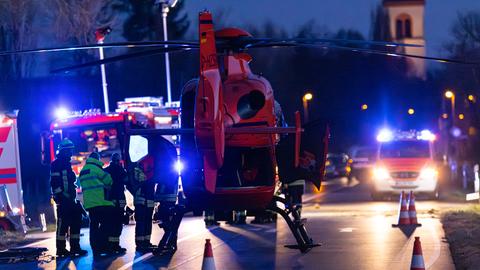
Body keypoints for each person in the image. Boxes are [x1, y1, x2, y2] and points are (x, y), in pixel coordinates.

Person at [50, 139, 88, 257]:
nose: (71, 152)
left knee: (76, 222)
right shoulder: (56, 164)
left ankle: (75, 248)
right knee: (63, 226)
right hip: (63, 200)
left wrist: (72, 198)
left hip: (71, 199)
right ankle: (61, 249)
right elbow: (55, 183)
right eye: (69, 150)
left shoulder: (67, 163)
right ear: (64, 151)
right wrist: (62, 196)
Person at [79, 152, 115, 255]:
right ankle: (103, 246)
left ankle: (95, 248)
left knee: (93, 226)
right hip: (101, 201)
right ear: (97, 159)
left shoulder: (83, 171)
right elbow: (109, 181)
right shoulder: (97, 169)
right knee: (105, 224)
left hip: (90, 204)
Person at [132, 154, 157, 252]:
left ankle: (146, 242)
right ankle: (140, 244)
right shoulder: (137, 172)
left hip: (148, 200)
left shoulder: (149, 172)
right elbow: (142, 182)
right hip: (141, 200)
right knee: (142, 222)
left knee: (147, 221)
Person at [104, 153, 128, 253]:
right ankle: (115, 245)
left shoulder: (106, 170)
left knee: (111, 223)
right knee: (117, 224)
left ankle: (110, 245)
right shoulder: (121, 170)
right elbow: (127, 181)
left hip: (110, 200)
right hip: (119, 199)